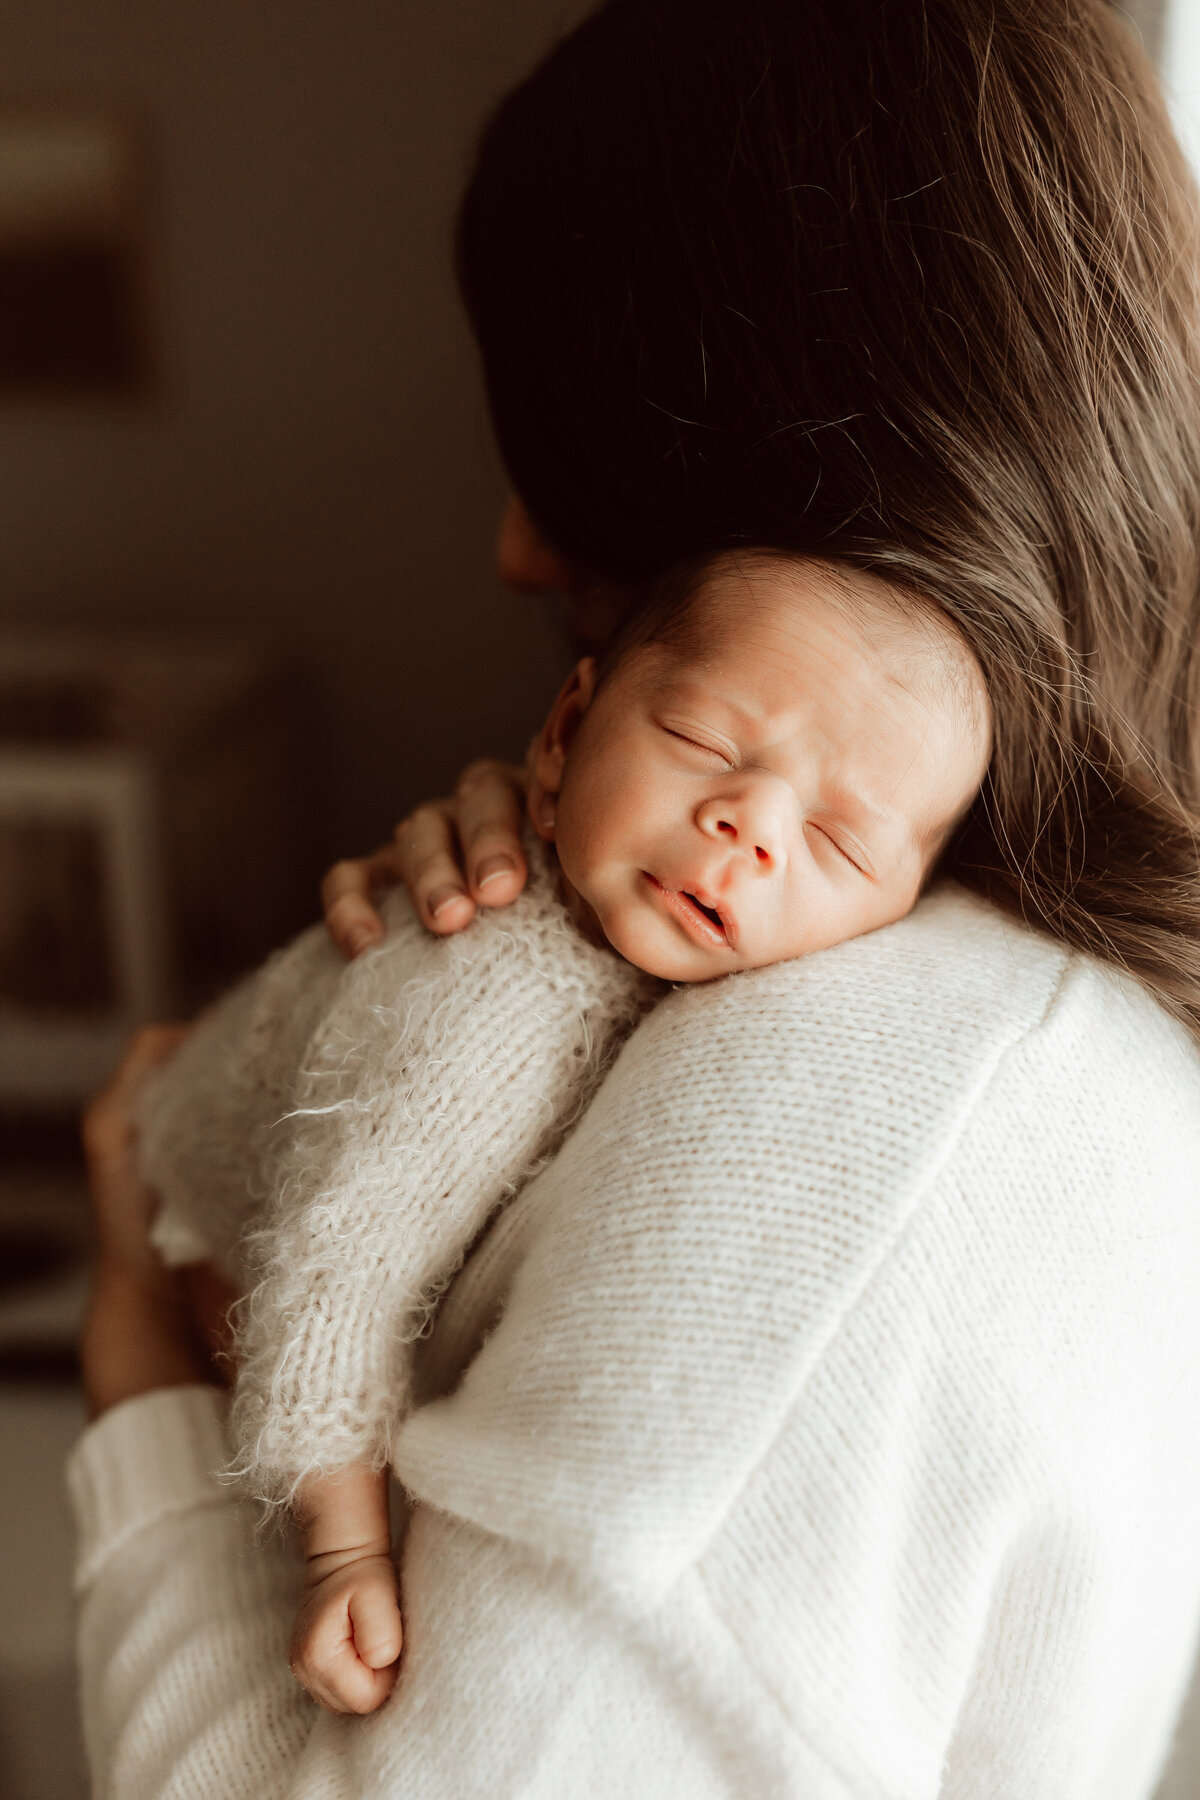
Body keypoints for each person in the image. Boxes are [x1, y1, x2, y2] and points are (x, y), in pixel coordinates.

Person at [70, 1, 1200, 1794]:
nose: (520, 544)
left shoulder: (849, 1154)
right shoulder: (996, 998)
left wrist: (139, 1367)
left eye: (562, 432)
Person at [131, 546, 990, 1715]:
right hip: (208, 1208)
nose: (751, 826)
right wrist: (342, 1550)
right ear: (562, 731)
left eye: (837, 842)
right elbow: (330, 1272)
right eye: (701, 741)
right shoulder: (489, 1008)